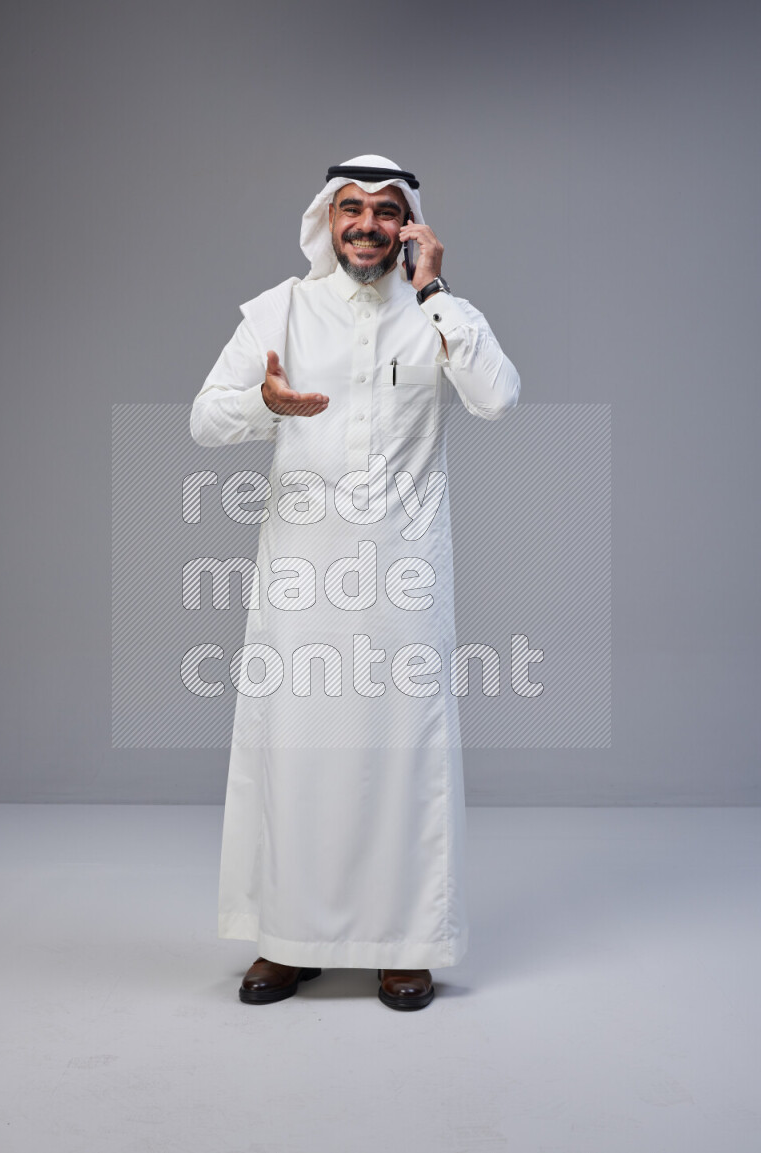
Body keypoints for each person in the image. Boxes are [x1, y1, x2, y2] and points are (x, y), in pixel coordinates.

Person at [189, 154, 520, 1010]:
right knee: (295, 755)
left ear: (408, 224)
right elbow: (204, 419)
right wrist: (267, 405)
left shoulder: (438, 315)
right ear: (325, 222)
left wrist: (438, 291)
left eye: (384, 210)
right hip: (301, 577)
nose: (365, 224)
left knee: (401, 756)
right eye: (350, 209)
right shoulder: (281, 310)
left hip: (405, 578)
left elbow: (497, 397)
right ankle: (287, 941)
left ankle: (403, 944)